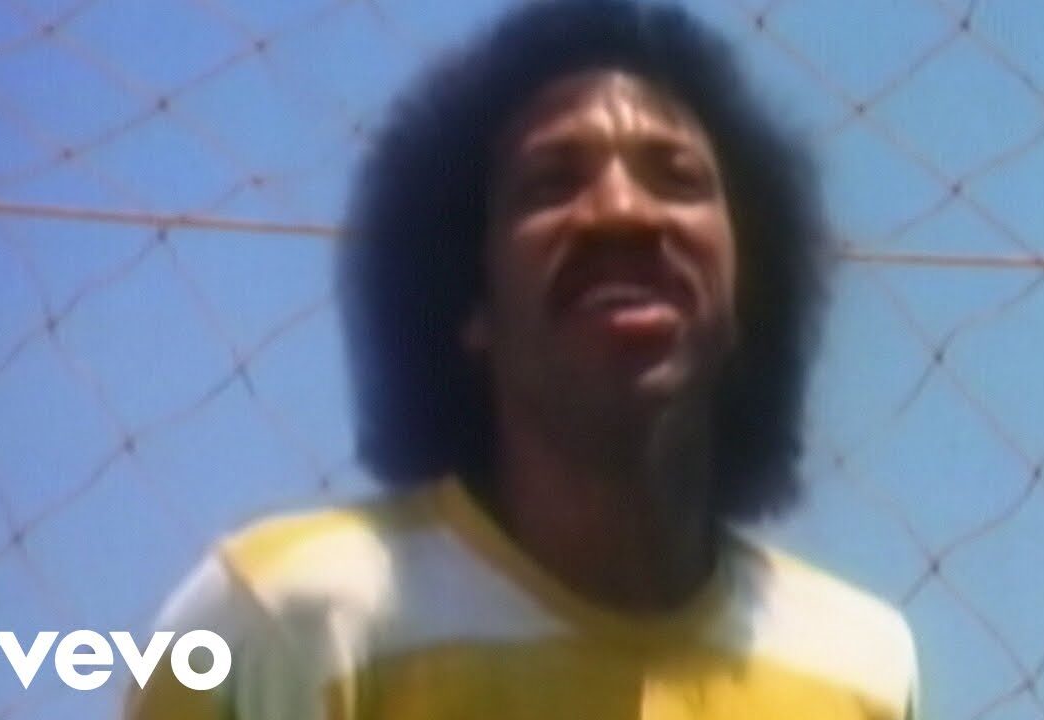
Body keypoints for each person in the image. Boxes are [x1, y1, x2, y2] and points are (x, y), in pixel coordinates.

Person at [128, 1, 919, 718]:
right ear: (470, 301)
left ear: (749, 290)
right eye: (550, 183)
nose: (623, 212)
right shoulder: (279, 620)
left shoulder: (861, 669)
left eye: (678, 179)